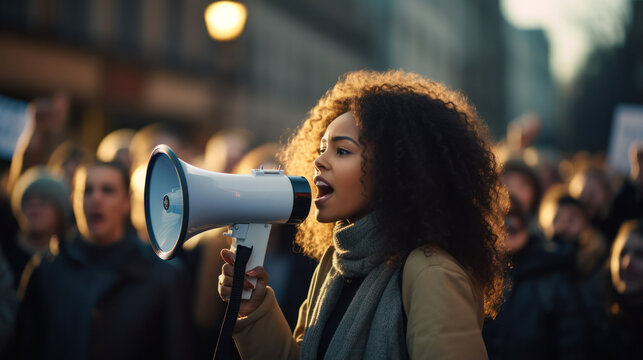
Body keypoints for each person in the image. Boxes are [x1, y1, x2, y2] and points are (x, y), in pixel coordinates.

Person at [218, 70, 508, 359]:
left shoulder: (432, 274)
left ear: (397, 169)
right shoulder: (334, 264)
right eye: (321, 149)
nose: (319, 161)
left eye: (342, 151)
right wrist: (255, 309)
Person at [13, 160, 193, 360]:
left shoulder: (163, 276)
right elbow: (24, 347)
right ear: (74, 200)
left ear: (127, 201)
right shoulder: (47, 268)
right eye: (87, 191)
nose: (96, 199)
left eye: (108, 190)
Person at [483, 197, 588, 359]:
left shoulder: (551, 274)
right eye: (496, 225)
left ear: (526, 227)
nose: (503, 233)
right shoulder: (481, 275)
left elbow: (571, 343)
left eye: (511, 226)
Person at [7, 167, 71, 296]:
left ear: (60, 211)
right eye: (29, 202)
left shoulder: (70, 262)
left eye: (43, 202)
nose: (35, 210)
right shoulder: (5, 255)